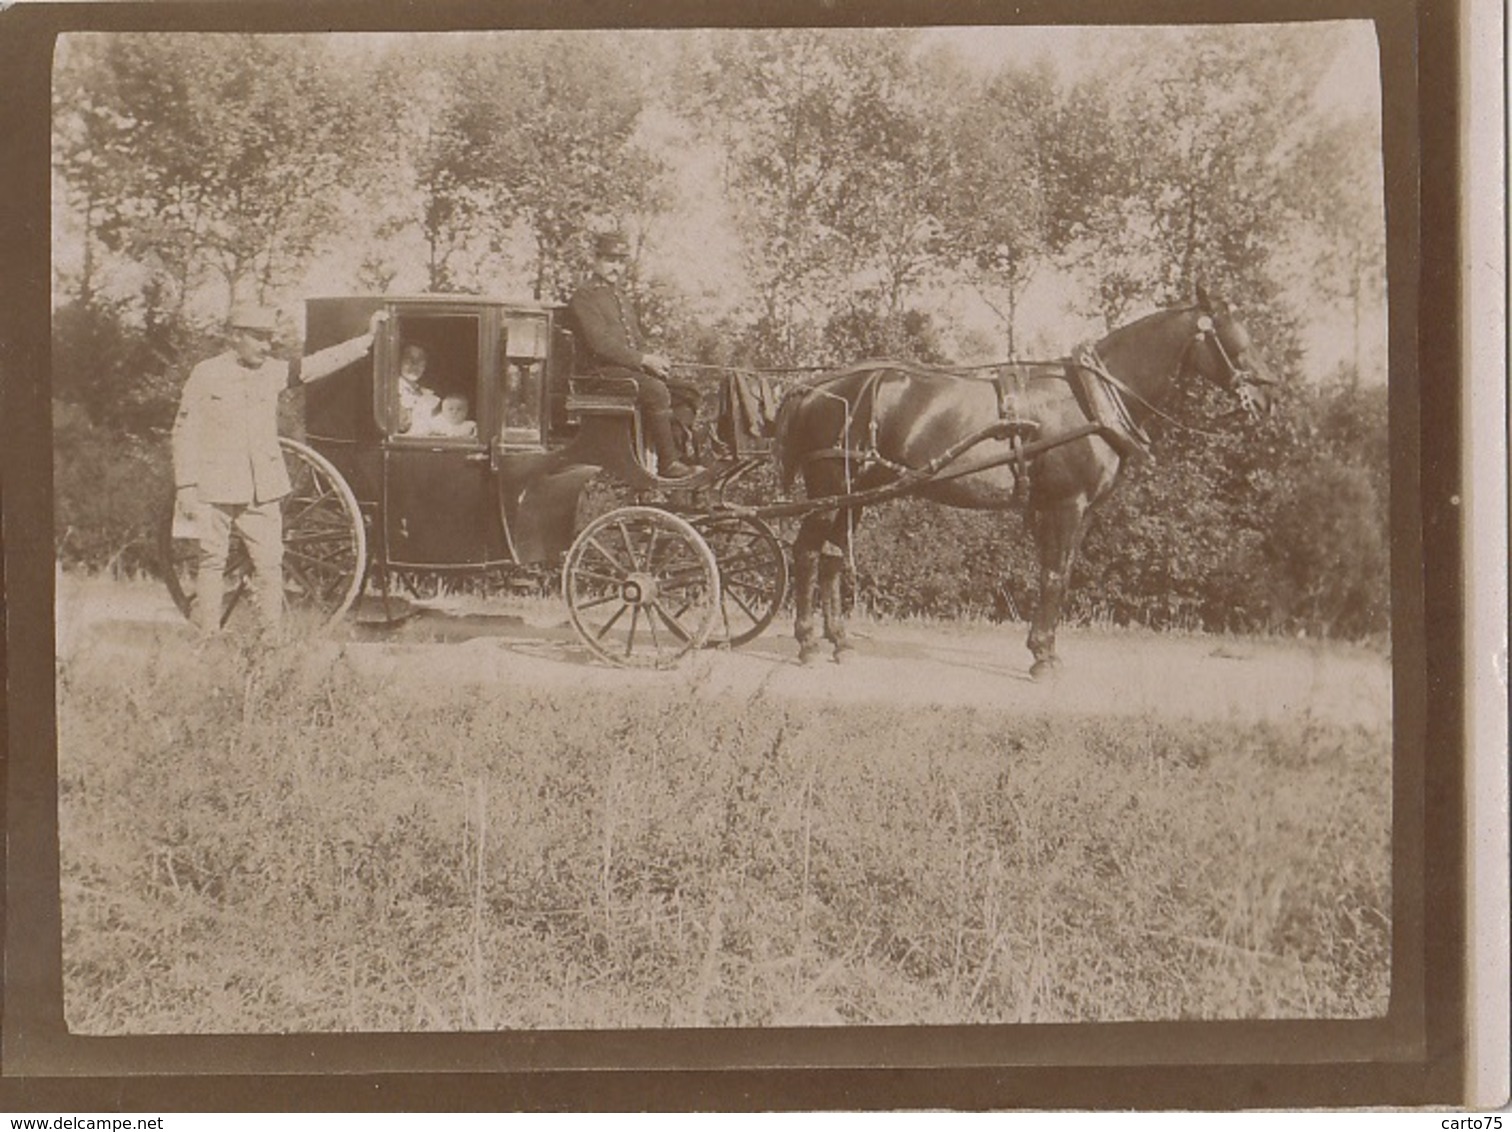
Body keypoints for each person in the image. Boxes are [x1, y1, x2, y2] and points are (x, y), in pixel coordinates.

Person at [172, 305, 385, 634]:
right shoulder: (206, 374)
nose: (266, 346)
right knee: (211, 561)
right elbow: (184, 430)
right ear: (235, 337)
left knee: (270, 564)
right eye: (258, 338)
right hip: (214, 486)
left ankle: (270, 642)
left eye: (269, 339)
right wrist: (186, 485)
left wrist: (366, 340)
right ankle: (208, 639)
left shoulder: (272, 372)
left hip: (263, 488)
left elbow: (318, 364)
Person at [566, 231, 698, 479]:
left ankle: (682, 457)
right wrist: (642, 361)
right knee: (656, 391)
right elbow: (600, 344)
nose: (615, 266)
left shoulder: (621, 299)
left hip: (624, 373)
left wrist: (653, 359)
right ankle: (668, 464)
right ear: (595, 260)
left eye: (620, 261)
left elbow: (635, 340)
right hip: (598, 376)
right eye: (609, 259)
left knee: (687, 392)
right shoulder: (584, 298)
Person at [396, 343, 441, 434]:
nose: (415, 365)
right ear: (399, 361)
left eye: (420, 360)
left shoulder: (429, 397)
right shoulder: (391, 390)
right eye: (409, 359)